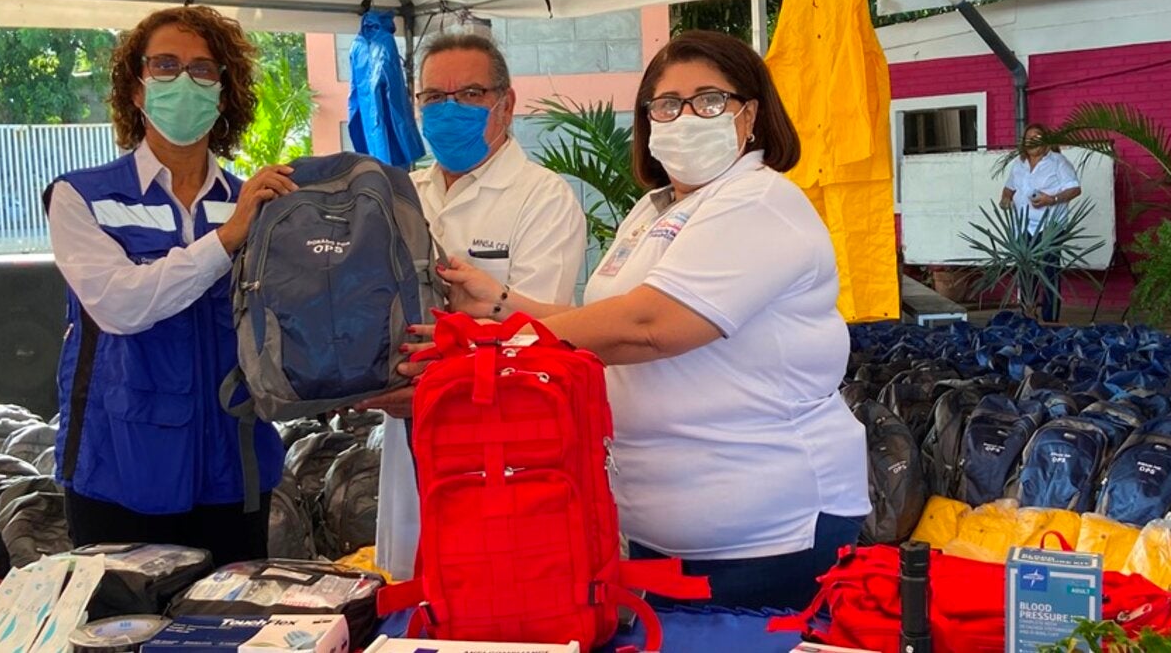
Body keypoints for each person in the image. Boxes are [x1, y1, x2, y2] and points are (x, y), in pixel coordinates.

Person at [420, 30, 869, 610]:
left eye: (709, 101)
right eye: (666, 104)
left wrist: (498, 338)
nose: (685, 117)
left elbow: (649, 326)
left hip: (769, 533)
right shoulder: (653, 210)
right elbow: (596, 323)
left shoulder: (760, 201)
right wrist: (501, 303)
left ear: (750, 115)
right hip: (658, 533)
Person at [46, 6, 295, 564]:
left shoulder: (257, 202)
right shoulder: (80, 197)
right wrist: (227, 239)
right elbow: (121, 306)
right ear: (135, 90)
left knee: (231, 635)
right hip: (119, 470)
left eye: (203, 70)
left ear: (223, 93)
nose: (184, 81)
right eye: (165, 65)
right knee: (122, 637)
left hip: (233, 469)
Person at [368, 32, 587, 581]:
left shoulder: (542, 198)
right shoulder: (400, 195)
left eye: (469, 94)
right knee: (417, 589)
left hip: (502, 432)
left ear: (506, 104)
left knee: (493, 593)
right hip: (409, 429)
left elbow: (539, 336)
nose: (449, 110)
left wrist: (433, 379)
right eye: (433, 98)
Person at [999, 123, 1082, 322]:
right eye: (1029, 138)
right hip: (1023, 226)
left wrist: (1050, 199)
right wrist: (1005, 199)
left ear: (1045, 141)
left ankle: (1050, 319)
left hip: (1050, 227)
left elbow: (1075, 189)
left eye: (1038, 137)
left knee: (1049, 272)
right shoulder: (1019, 164)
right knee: (1026, 271)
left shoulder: (1058, 161)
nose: (1032, 141)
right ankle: (1028, 315)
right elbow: (1008, 189)